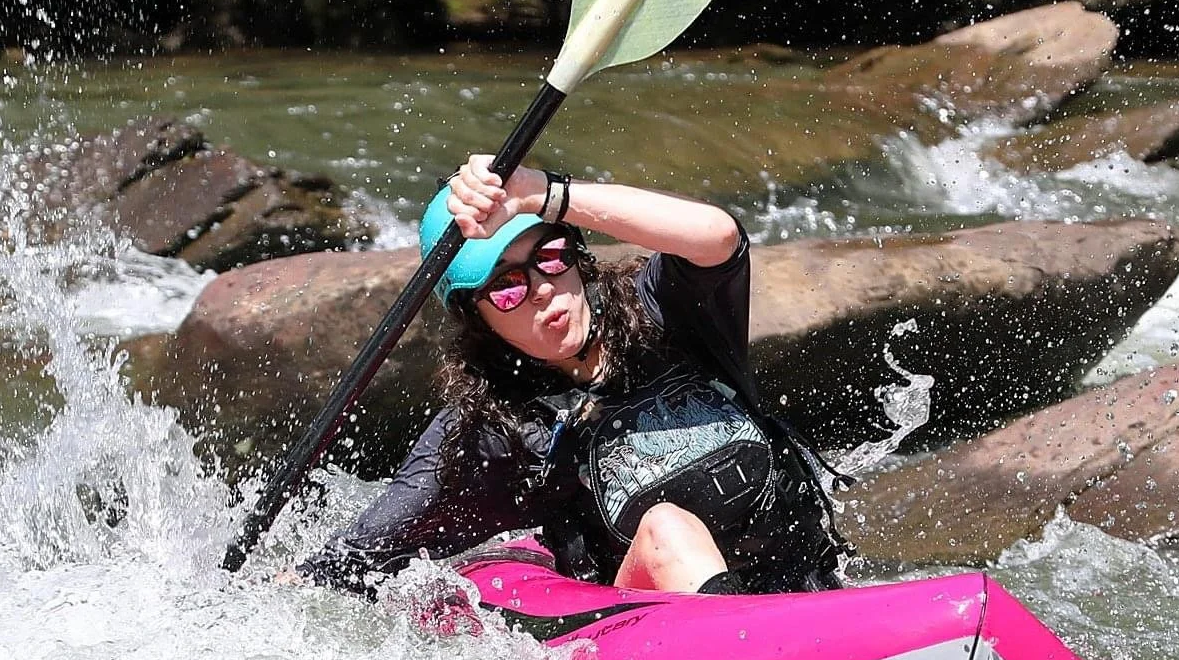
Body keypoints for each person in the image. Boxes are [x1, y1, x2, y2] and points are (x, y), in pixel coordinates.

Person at [298, 155, 850, 598]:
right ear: (478, 319)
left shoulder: (664, 315)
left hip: (806, 591)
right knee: (667, 529)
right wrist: (281, 588)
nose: (542, 288)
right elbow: (368, 545)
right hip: (664, 626)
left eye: (551, 256)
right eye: (506, 286)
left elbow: (718, 236)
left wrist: (540, 193)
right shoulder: (492, 426)